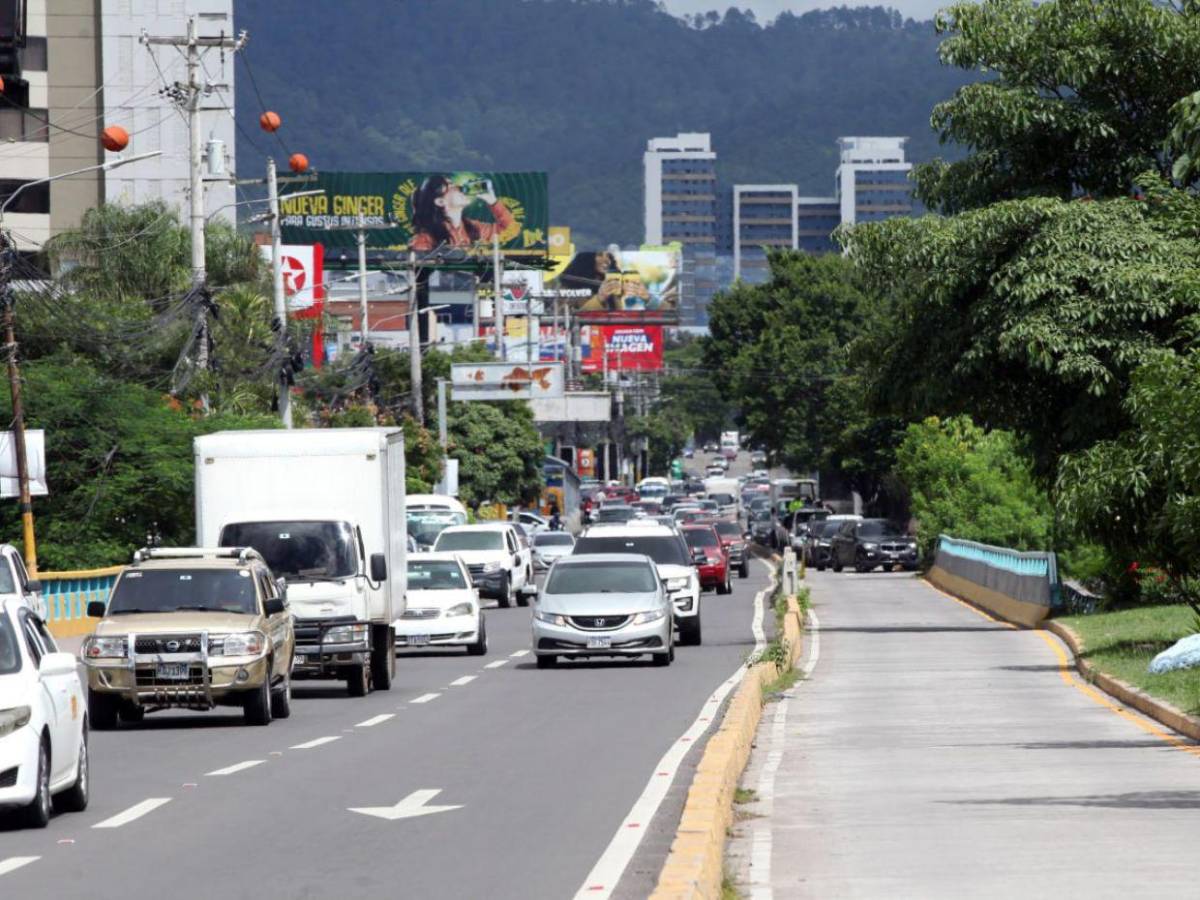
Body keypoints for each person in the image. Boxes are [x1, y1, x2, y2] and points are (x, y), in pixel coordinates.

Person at [409, 174, 516, 252]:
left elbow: (511, 230)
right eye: (451, 186)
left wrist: (493, 201)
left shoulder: (475, 228)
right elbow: (421, 273)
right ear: (440, 202)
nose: (460, 188)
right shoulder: (424, 240)